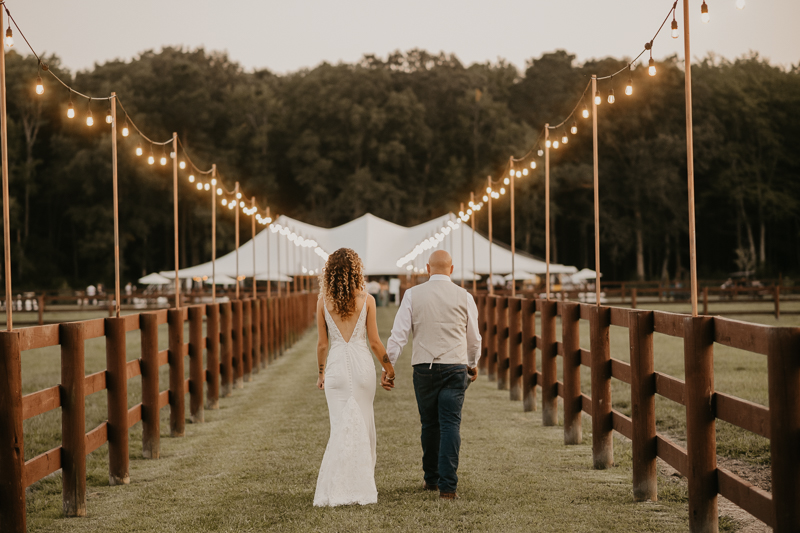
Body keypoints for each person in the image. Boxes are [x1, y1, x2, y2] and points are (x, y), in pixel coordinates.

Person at [385, 250, 481, 500]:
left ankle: (431, 478)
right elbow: (474, 338)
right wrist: (472, 363)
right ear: (451, 269)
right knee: (450, 424)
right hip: (455, 366)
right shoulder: (465, 296)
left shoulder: (413, 295)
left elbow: (399, 334)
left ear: (428, 268)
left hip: (424, 367)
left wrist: (389, 366)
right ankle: (448, 487)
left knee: (429, 424)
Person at [313, 248, 395, 507]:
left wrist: (321, 373)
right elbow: (374, 342)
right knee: (364, 423)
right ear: (356, 271)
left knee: (339, 426)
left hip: (336, 367)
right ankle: (362, 482)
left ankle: (337, 486)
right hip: (362, 369)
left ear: (331, 273)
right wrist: (389, 368)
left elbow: (322, 345)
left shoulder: (322, 301)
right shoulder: (367, 300)